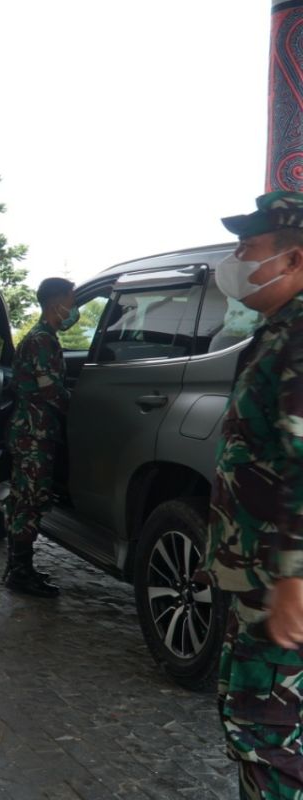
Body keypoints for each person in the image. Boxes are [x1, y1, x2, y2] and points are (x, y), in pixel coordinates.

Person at [208, 190, 303, 797]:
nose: (236, 258)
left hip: (280, 578)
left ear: (293, 260)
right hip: (263, 571)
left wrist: (295, 579)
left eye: (249, 247)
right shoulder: (278, 330)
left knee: (267, 732)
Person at [3, 277, 76, 598]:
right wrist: (78, 407)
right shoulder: (42, 340)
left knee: (21, 500)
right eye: (70, 302)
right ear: (55, 303)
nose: (71, 309)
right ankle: (20, 573)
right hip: (35, 433)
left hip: (29, 431)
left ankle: (17, 567)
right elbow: (50, 390)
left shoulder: (40, 337)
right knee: (30, 502)